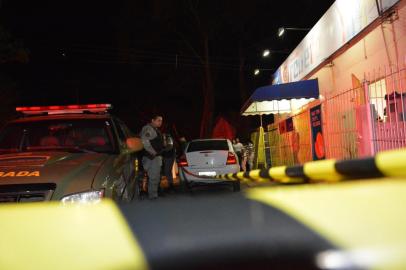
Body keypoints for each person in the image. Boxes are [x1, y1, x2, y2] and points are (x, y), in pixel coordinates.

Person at [140, 114, 164, 200]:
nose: (160, 122)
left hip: (154, 157)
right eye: (158, 120)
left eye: (161, 120)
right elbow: (144, 140)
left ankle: (152, 195)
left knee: (155, 177)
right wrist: (152, 152)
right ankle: (152, 197)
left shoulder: (154, 129)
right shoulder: (148, 129)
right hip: (151, 158)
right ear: (152, 120)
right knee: (154, 177)